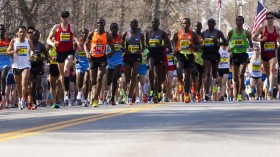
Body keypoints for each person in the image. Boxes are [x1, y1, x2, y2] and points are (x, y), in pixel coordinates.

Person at [46, 11, 81, 105]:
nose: (64, 18)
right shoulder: (56, 27)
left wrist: (78, 43)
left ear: (69, 18)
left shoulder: (72, 27)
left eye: (66, 17)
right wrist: (53, 44)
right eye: (63, 17)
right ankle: (66, 92)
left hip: (69, 52)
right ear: (61, 18)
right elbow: (48, 39)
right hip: (59, 53)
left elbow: (76, 37)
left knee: (66, 69)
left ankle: (66, 93)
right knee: (62, 76)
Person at [84, 18, 115, 107]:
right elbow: (85, 44)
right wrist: (87, 53)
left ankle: (95, 99)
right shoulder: (92, 34)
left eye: (101, 23)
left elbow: (113, 49)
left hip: (102, 58)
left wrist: (109, 53)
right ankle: (91, 96)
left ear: (104, 24)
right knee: (93, 81)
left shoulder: (107, 35)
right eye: (98, 23)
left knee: (100, 77)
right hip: (93, 58)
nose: (99, 25)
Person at [172, 18, 200, 103]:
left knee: (187, 77)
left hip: (189, 56)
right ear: (181, 24)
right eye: (184, 23)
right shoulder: (178, 34)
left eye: (187, 23)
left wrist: (194, 47)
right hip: (180, 55)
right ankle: (180, 82)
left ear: (189, 24)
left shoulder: (193, 34)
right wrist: (174, 49)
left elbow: (199, 45)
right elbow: (173, 41)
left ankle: (186, 95)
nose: (185, 25)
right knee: (179, 71)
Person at [253, 12, 279, 99]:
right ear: (266, 19)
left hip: (273, 53)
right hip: (264, 54)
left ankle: (271, 89)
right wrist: (261, 40)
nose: (270, 20)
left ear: (274, 19)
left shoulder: (277, 29)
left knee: (272, 69)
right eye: (268, 18)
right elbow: (254, 37)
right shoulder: (262, 28)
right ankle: (269, 83)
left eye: (271, 18)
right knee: (268, 72)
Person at [6, 25, 34, 110]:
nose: (22, 33)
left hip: (26, 65)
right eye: (20, 32)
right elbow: (7, 52)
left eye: (23, 32)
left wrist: (32, 54)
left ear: (26, 33)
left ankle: (22, 100)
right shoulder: (13, 41)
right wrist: (14, 51)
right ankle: (20, 98)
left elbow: (32, 50)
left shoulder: (28, 41)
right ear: (17, 33)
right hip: (16, 65)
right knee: (18, 85)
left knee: (24, 82)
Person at [228, 16, 253, 101]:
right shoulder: (231, 32)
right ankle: (237, 91)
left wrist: (250, 43)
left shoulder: (247, 33)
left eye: (240, 20)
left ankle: (239, 94)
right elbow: (226, 40)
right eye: (237, 20)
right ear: (236, 22)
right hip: (234, 55)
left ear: (243, 22)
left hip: (243, 55)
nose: (239, 22)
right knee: (235, 78)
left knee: (242, 74)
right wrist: (229, 47)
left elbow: (251, 44)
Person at [202, 18, 228, 101]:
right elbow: (199, 42)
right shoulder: (204, 33)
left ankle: (216, 89)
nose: (210, 24)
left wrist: (218, 43)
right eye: (209, 22)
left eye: (212, 23)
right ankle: (207, 93)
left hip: (215, 54)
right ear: (207, 24)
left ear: (215, 24)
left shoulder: (218, 32)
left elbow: (226, 42)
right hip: (206, 54)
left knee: (214, 75)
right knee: (207, 73)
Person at [146, 18, 171, 103]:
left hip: (160, 55)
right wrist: (147, 52)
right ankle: (152, 88)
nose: (154, 23)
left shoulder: (162, 33)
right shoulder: (148, 33)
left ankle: (158, 91)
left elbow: (168, 44)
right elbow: (145, 45)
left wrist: (161, 45)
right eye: (152, 22)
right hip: (151, 55)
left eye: (155, 22)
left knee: (158, 75)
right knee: (150, 70)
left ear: (159, 23)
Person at [121, 19, 145, 105]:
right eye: (132, 23)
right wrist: (125, 50)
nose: (133, 24)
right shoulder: (125, 34)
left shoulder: (141, 35)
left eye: (135, 23)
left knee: (134, 75)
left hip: (137, 57)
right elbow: (121, 45)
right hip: (128, 56)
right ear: (130, 24)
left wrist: (140, 51)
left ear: (137, 25)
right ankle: (131, 92)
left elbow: (144, 46)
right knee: (128, 79)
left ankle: (130, 97)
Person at [29, 30, 48, 109]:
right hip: (30, 66)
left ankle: (38, 98)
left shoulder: (41, 45)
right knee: (31, 85)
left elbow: (47, 56)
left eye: (37, 36)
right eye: (34, 36)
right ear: (31, 36)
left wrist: (40, 58)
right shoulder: (28, 44)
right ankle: (33, 102)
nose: (35, 37)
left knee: (37, 85)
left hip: (38, 66)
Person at [105, 23, 123, 105]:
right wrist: (106, 53)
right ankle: (108, 94)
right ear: (110, 29)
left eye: (115, 28)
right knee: (108, 81)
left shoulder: (120, 37)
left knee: (115, 77)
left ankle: (112, 97)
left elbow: (123, 46)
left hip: (118, 60)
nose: (114, 29)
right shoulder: (107, 37)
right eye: (112, 28)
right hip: (109, 60)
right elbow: (103, 46)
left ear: (118, 28)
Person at [75, 28, 90, 107]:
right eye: (83, 33)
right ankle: (79, 93)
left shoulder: (90, 43)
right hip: (79, 63)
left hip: (88, 64)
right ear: (81, 34)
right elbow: (74, 53)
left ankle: (86, 99)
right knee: (80, 81)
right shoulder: (78, 43)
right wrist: (75, 60)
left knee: (87, 80)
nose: (85, 35)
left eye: (86, 33)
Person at [193, 22, 204, 102]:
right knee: (192, 72)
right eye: (196, 26)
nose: (197, 28)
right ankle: (193, 84)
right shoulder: (191, 36)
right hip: (193, 56)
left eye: (198, 26)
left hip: (201, 57)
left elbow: (205, 46)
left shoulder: (203, 36)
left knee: (200, 77)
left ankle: (198, 93)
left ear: (201, 27)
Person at [0, 24, 10, 109]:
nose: (1, 31)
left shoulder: (8, 40)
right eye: (0, 29)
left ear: (4, 31)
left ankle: (3, 94)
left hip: (6, 63)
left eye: (2, 30)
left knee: (3, 78)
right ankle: (1, 99)